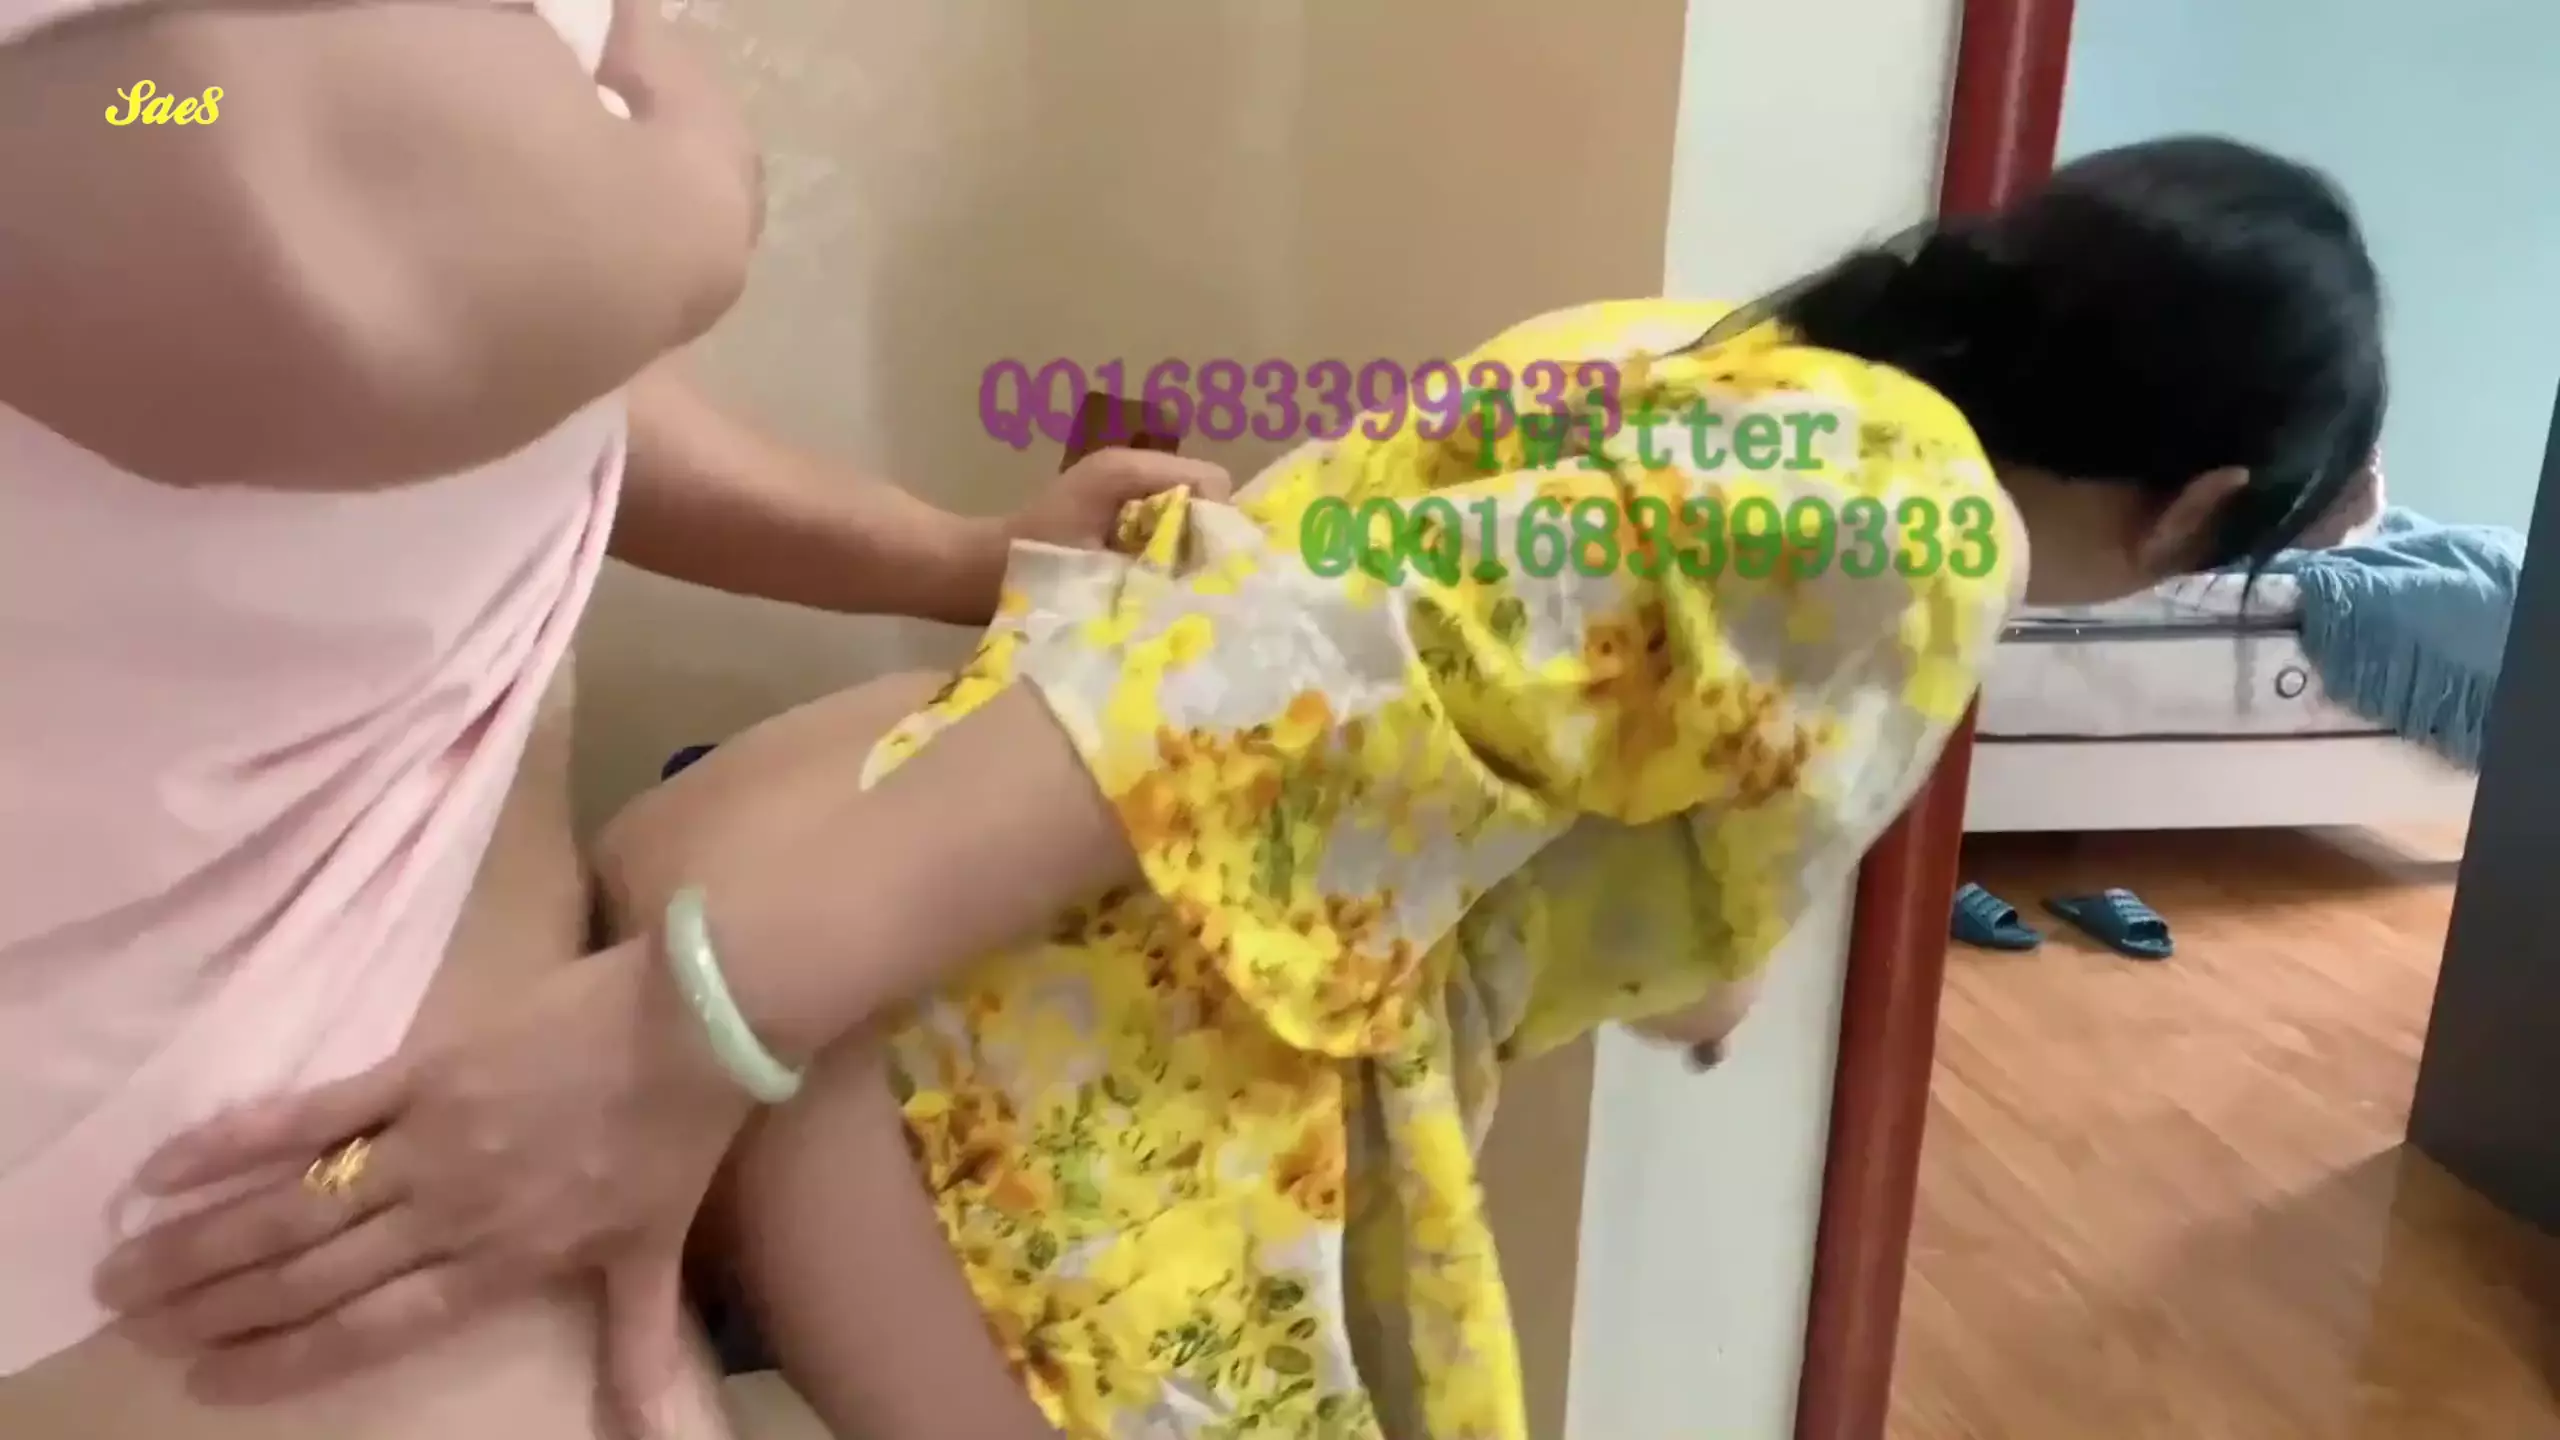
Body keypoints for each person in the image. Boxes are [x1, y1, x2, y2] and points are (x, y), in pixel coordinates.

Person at [89, 133, 2387, 1440]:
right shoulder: (1901, 515)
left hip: (848, 884)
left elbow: (1418, 684)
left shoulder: (1704, 368)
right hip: (987, 1050)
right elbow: (1292, 676)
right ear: (2201, 509)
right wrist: (697, 1024)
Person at [0, 1, 1223, 1438]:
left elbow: (511, 372)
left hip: (416, 1071)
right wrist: (689, 196)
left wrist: (955, 560)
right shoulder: (170, 119)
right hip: (209, 1187)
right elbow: (283, 214)